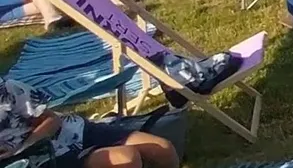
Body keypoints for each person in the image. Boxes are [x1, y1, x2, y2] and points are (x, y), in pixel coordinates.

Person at [0, 78, 179, 168]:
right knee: (127, 158)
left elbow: (51, 119)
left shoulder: (7, 89)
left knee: (163, 149)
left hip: (73, 130)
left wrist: (28, 143)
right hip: (47, 158)